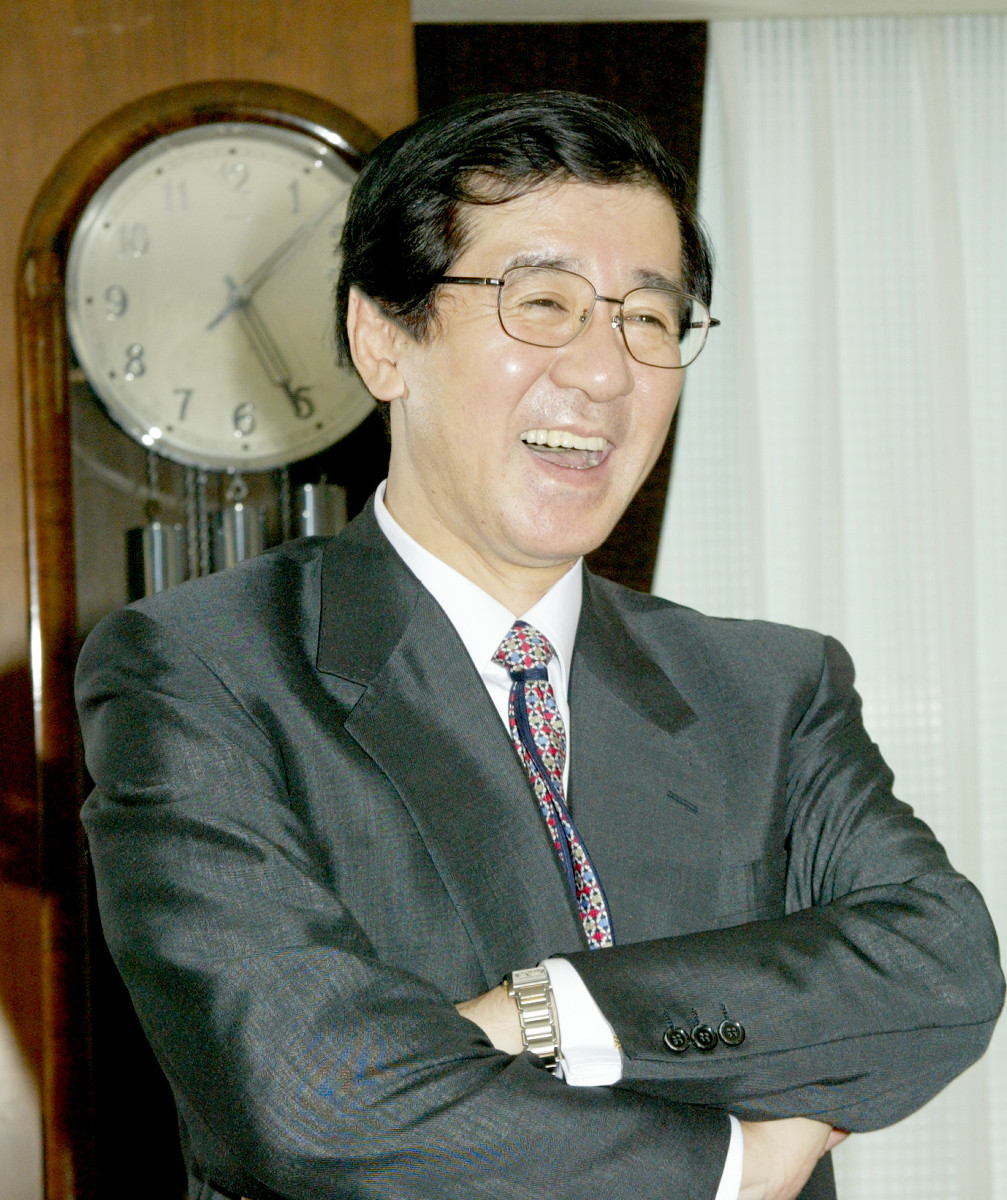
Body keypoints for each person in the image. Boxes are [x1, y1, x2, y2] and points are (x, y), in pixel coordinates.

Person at [76, 92, 1003, 1200]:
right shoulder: (202, 671)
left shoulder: (768, 688)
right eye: (544, 302)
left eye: (648, 318)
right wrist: (731, 1162)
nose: (606, 373)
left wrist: (551, 1013)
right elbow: (309, 1094)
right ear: (383, 340)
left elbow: (940, 972)